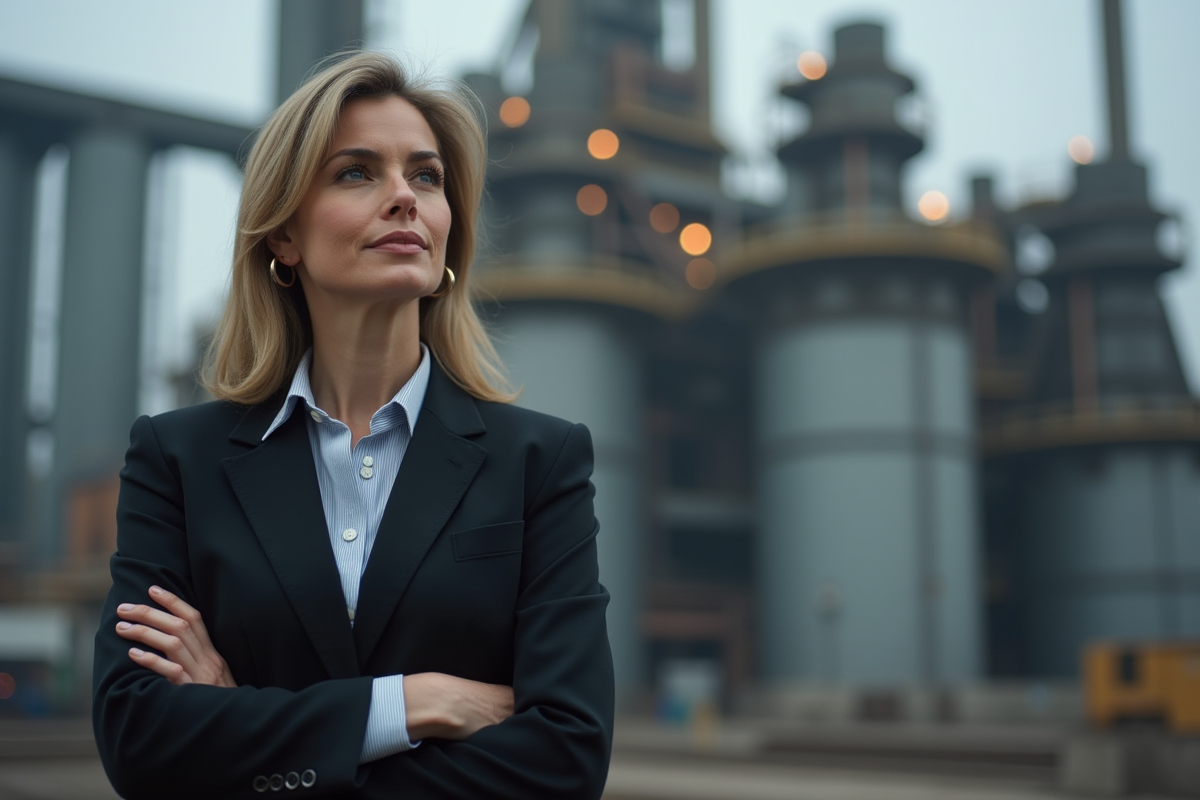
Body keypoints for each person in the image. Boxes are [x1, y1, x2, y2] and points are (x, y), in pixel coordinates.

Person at [92, 51, 614, 799]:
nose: (404, 196)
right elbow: (138, 739)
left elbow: (566, 759)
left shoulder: (542, 461)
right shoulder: (178, 459)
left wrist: (240, 724)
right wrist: (410, 703)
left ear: (447, 232)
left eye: (426, 176)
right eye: (357, 172)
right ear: (284, 239)